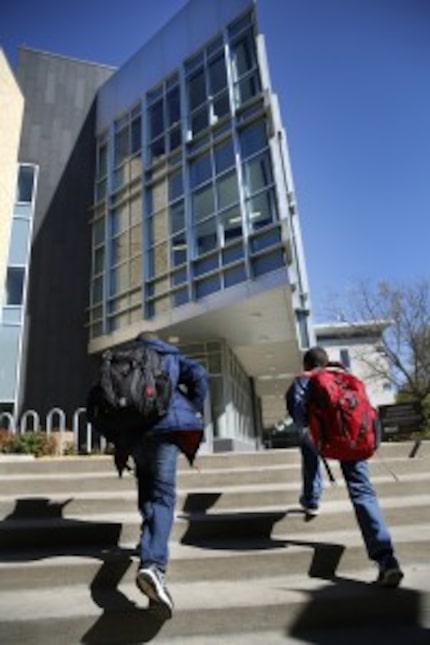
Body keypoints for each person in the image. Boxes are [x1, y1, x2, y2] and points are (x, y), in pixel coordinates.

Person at [286, 346, 404, 588]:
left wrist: (313, 432)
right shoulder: (349, 378)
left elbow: (298, 416)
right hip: (354, 440)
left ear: (307, 365)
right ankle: (386, 559)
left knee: (308, 450)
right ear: (327, 362)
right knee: (362, 491)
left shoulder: (303, 380)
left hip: (323, 439)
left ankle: (311, 500)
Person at [114, 333, 208, 617]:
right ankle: (153, 565)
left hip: (134, 436)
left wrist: (116, 433)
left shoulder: (122, 360)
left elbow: (98, 399)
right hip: (165, 431)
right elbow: (201, 376)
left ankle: (148, 546)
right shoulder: (170, 355)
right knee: (163, 498)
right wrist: (191, 407)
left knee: (147, 492)